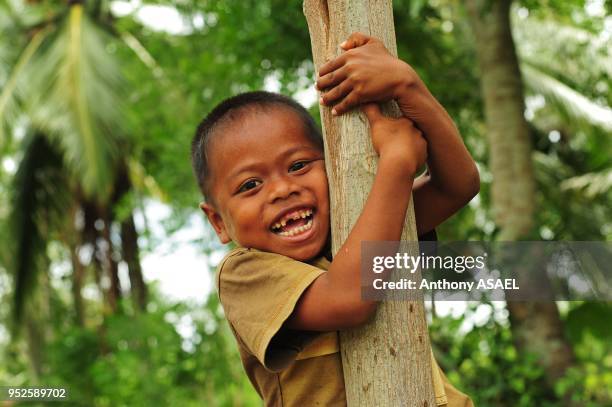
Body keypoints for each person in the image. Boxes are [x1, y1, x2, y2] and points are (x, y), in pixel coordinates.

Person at [191, 32, 478, 406]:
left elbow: (457, 186)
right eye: (250, 185)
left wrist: (408, 86)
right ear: (218, 222)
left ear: (334, 167)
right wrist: (396, 162)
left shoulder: (360, 220)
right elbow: (346, 299)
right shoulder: (245, 273)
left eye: (298, 165)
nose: (281, 190)